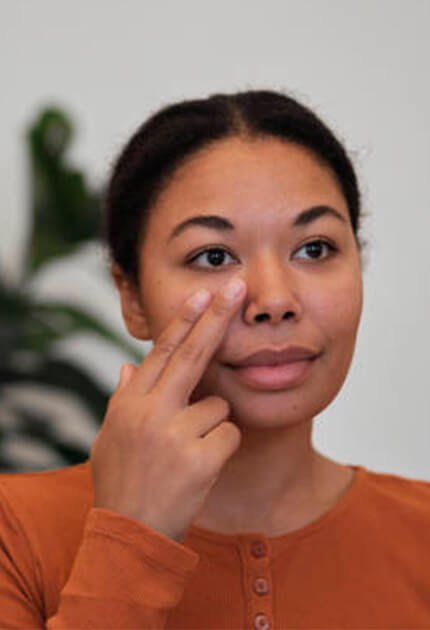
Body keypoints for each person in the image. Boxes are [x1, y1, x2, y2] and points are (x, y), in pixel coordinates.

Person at [0, 89, 429, 630]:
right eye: (214, 256)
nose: (275, 300)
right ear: (132, 298)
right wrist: (130, 539)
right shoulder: (13, 533)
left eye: (314, 248)